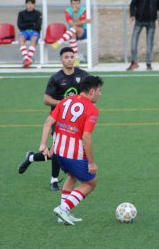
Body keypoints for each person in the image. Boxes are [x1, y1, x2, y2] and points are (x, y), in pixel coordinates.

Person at [18, 47, 89, 192]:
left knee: (56, 153)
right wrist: (65, 104)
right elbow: (46, 99)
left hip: (75, 121)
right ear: (61, 60)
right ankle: (54, 181)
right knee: (58, 150)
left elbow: (89, 91)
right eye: (66, 57)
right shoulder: (56, 78)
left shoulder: (82, 75)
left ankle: (31, 158)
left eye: (72, 57)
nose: (70, 59)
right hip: (58, 119)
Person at [39, 75, 103, 225]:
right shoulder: (92, 109)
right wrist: (91, 162)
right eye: (99, 90)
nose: (100, 94)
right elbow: (86, 137)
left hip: (59, 152)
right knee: (91, 183)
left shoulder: (65, 101)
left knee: (72, 176)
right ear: (92, 91)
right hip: (73, 154)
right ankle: (64, 208)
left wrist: (43, 144)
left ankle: (64, 213)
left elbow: (49, 122)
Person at [126, 0, 159, 71]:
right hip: (139, 21)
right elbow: (133, 4)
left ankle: (149, 64)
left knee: (149, 43)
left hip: (151, 22)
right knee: (133, 42)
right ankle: (134, 62)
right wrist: (132, 15)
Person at [52, 0, 91, 66]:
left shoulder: (84, 10)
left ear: (80, 3)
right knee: (73, 33)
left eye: (77, 3)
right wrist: (83, 21)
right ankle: (76, 58)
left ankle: (59, 42)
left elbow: (79, 25)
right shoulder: (67, 11)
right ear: (71, 4)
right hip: (72, 33)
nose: (75, 5)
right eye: (74, 4)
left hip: (83, 32)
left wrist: (75, 13)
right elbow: (71, 23)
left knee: (74, 28)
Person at [17, 0, 42, 68]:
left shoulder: (38, 14)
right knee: (21, 38)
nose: (30, 5)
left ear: (34, 5)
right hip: (24, 32)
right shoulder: (21, 14)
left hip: (34, 32)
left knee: (34, 39)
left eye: (32, 3)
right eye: (28, 3)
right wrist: (32, 23)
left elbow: (38, 26)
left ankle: (27, 59)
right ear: (26, 4)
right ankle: (27, 59)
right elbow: (20, 26)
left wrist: (26, 24)